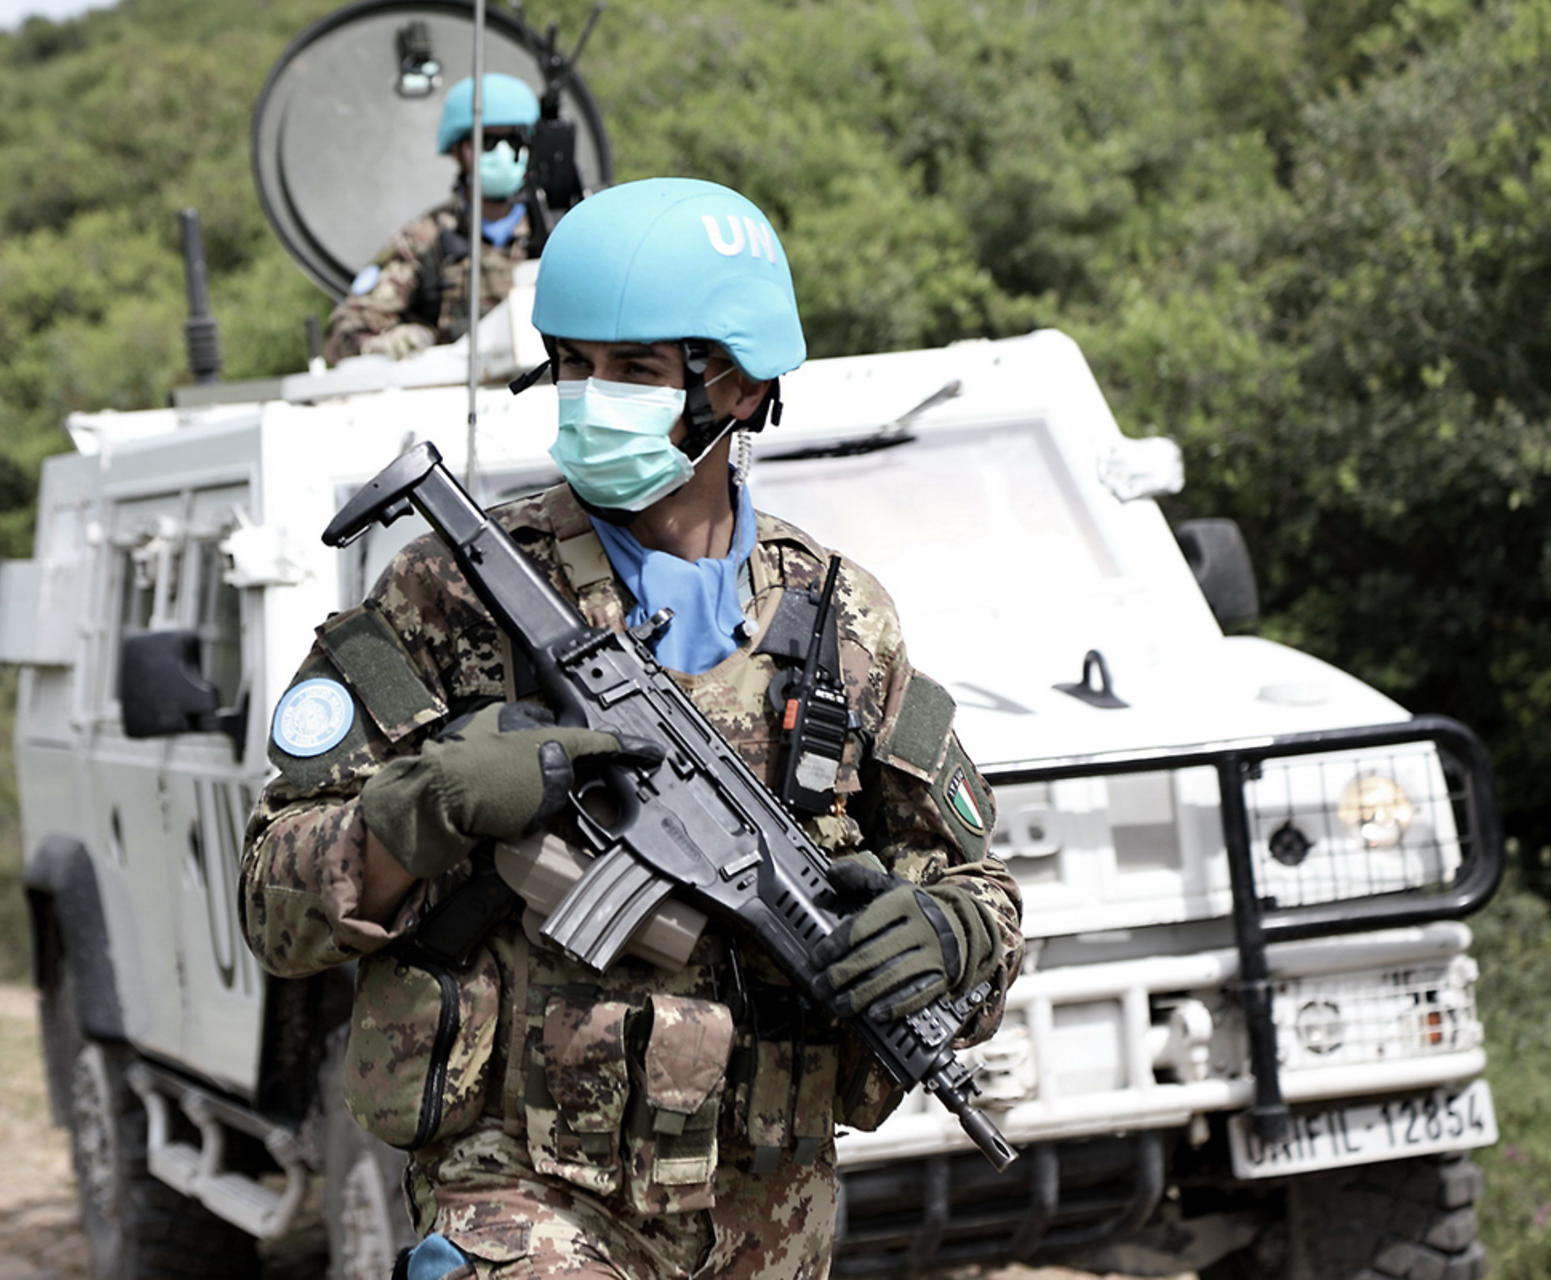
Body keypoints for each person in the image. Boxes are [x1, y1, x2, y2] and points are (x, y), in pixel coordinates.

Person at [240, 177, 1022, 1280]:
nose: (589, 395)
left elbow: (982, 886)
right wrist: (420, 814)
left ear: (741, 385)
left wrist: (948, 934)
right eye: (573, 363)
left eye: (638, 370)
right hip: (523, 1189)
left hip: (768, 1207)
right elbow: (272, 904)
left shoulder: (844, 620)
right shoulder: (448, 594)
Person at [324, 72, 541, 363]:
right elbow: (345, 330)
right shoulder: (426, 240)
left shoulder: (561, 229)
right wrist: (384, 343)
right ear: (458, 150)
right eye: (487, 142)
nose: (503, 153)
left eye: (514, 140)